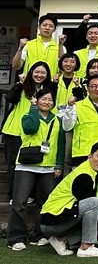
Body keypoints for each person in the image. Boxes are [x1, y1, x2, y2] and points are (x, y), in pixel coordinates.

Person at [6, 87, 65, 251]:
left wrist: (59, 165)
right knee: (20, 202)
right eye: (43, 99)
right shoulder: (27, 116)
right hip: (26, 166)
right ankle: (16, 238)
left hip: (48, 168)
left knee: (44, 204)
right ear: (37, 100)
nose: (47, 102)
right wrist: (32, 107)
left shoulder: (57, 120)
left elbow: (61, 144)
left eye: (50, 99)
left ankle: (40, 235)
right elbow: (30, 128)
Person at [40, 141, 98, 257]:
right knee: (94, 202)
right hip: (51, 221)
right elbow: (91, 204)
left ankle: (60, 240)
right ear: (90, 156)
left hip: (63, 217)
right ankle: (86, 247)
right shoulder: (83, 175)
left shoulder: (95, 173)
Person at [2, 61, 55, 203]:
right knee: (13, 164)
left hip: (36, 132)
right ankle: (13, 195)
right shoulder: (22, 85)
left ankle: (31, 195)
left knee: (33, 162)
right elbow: (10, 98)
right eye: (37, 72)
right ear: (31, 72)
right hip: (15, 130)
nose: (39, 75)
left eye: (43, 73)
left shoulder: (48, 89)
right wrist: (20, 84)